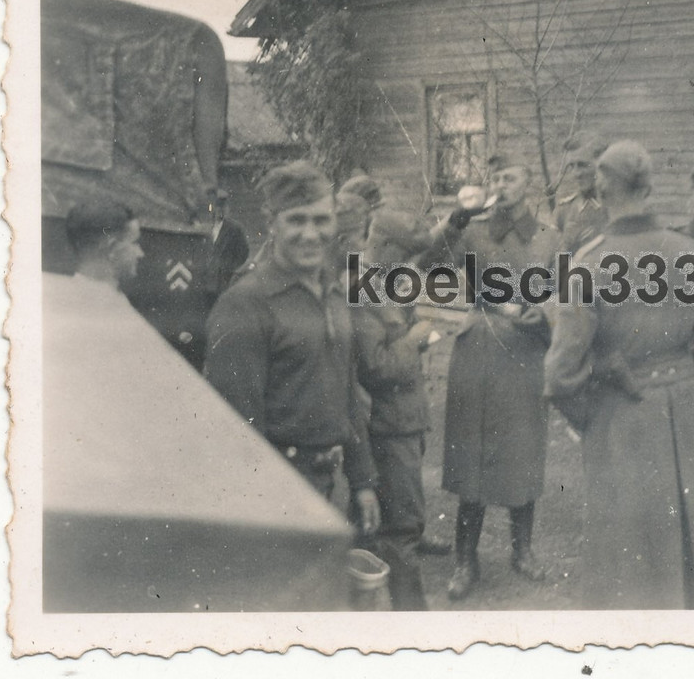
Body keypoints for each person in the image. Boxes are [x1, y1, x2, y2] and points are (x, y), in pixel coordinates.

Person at [544, 140, 694, 609]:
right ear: (650, 187)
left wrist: (584, 414)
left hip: (619, 410)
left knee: (627, 544)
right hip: (684, 401)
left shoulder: (590, 261)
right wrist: (690, 383)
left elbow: (561, 370)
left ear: (600, 188)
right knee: (684, 523)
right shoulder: (691, 253)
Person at [203, 161, 380, 536]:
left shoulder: (333, 294)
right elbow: (237, 427)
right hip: (275, 491)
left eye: (321, 220)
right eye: (296, 220)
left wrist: (362, 481)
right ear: (272, 221)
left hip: (324, 482)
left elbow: (347, 389)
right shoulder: (246, 304)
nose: (310, 234)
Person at [419, 153, 559, 601]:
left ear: (528, 182)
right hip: (479, 346)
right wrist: (454, 220)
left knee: (524, 452)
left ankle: (523, 551)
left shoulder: (552, 239)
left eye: (511, 174)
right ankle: (466, 560)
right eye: (497, 176)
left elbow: (570, 293)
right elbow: (429, 264)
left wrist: (546, 314)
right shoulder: (473, 232)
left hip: (526, 351)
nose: (503, 182)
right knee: (471, 455)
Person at [352, 211, 441, 610]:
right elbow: (376, 367)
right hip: (388, 429)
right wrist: (416, 339)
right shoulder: (364, 291)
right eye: (404, 256)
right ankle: (413, 628)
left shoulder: (383, 285)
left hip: (403, 424)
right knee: (400, 531)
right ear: (385, 247)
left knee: (399, 529)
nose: (407, 266)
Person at [64, 200, 145, 292]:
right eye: (134, 243)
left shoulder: (64, 296)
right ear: (112, 248)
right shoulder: (109, 303)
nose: (140, 253)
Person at [552, 131, 610, 253]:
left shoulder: (619, 206)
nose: (576, 174)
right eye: (572, 166)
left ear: (602, 164)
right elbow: (559, 268)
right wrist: (568, 247)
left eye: (583, 165)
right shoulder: (564, 210)